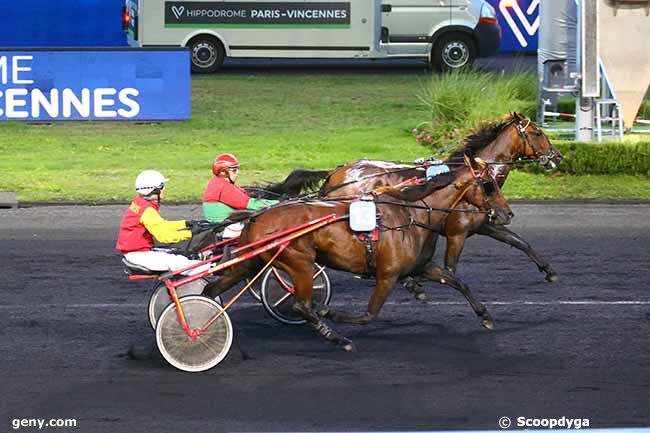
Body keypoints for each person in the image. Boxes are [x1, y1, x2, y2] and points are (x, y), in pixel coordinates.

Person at [116, 170, 210, 274]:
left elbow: (162, 225)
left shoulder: (139, 203)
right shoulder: (148, 211)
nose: (164, 189)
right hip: (139, 255)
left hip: (136, 253)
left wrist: (186, 224)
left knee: (181, 256)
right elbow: (164, 237)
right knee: (180, 262)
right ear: (155, 190)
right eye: (162, 187)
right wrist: (191, 233)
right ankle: (211, 271)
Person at [203, 153, 278, 237]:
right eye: (234, 170)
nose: (238, 173)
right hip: (227, 227)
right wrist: (278, 203)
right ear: (223, 172)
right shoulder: (223, 187)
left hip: (222, 225)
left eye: (237, 169)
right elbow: (251, 204)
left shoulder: (216, 182)